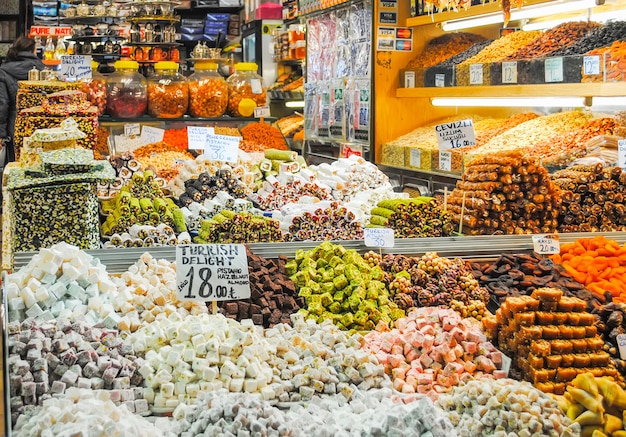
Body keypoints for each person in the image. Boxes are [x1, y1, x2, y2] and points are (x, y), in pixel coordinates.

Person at [0, 36, 45, 164]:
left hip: (14, 126)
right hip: (38, 125)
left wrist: (1, 134)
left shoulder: (3, 71)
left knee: (15, 164)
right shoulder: (43, 70)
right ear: (33, 51)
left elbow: (2, 105)